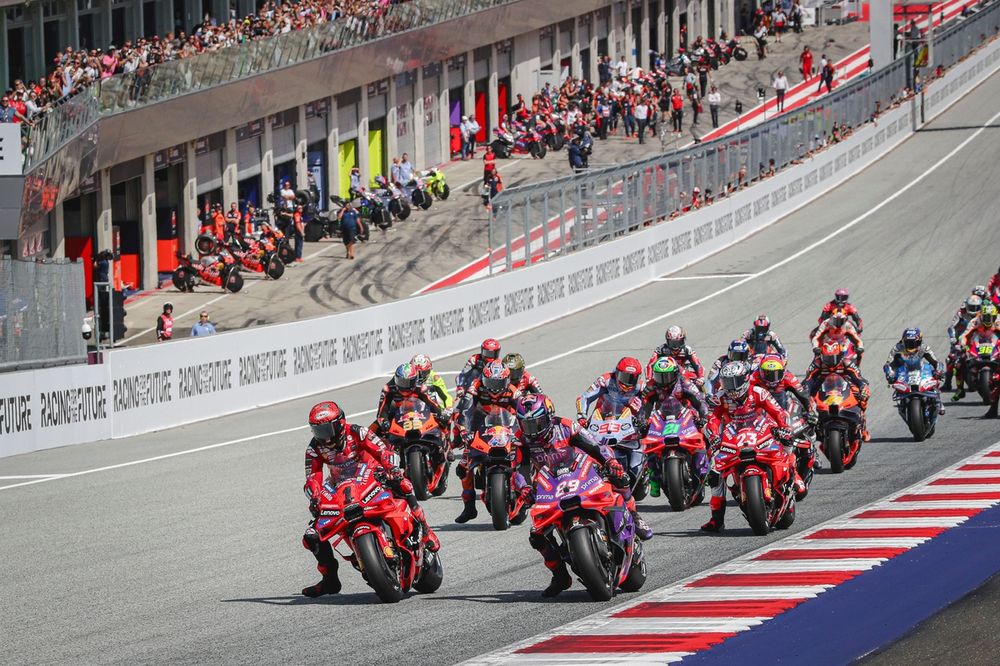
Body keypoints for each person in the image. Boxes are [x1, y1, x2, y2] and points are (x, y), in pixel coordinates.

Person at [514, 394, 652, 596]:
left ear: (549, 416)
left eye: (537, 423)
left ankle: (634, 515)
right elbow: (519, 469)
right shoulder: (521, 440)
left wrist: (610, 463)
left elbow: (596, 446)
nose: (533, 430)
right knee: (536, 535)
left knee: (620, 478)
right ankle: (560, 576)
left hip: (582, 471)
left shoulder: (567, 426)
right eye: (528, 425)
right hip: (550, 484)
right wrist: (524, 488)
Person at [300, 401, 439, 597]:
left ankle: (426, 532)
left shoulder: (358, 432)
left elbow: (382, 450)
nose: (322, 435)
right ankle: (330, 580)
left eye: (326, 429)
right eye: (317, 430)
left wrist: (391, 469)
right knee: (311, 535)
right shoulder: (315, 448)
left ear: (340, 423)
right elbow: (313, 476)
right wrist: (314, 495)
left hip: (372, 474)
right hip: (342, 488)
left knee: (404, 485)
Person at [701, 361, 794, 532]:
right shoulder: (720, 397)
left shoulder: (758, 392)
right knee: (714, 474)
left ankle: (790, 481)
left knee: (787, 447)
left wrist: (785, 429)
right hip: (733, 437)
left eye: (734, 382)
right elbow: (712, 419)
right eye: (726, 382)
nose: (730, 387)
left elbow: (778, 412)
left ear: (744, 379)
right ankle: (716, 519)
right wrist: (714, 437)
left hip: (760, 432)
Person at [453, 360, 522, 523]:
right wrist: (464, 430)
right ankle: (469, 507)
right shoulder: (475, 387)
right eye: (490, 382)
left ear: (506, 380)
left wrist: (524, 429)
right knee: (463, 467)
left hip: (508, 427)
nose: (494, 387)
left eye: (498, 382)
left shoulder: (513, 391)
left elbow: (525, 410)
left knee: (528, 451)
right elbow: (464, 409)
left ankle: (529, 488)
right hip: (480, 425)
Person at [804, 341, 871, 441]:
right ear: (822, 356)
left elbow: (859, 378)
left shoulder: (847, 363)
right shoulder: (817, 364)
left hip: (844, 383)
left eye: (834, 357)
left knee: (862, 395)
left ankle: (863, 426)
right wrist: (805, 394)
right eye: (827, 358)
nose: (831, 361)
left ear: (840, 355)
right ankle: (809, 428)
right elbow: (808, 380)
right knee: (804, 400)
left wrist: (863, 387)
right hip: (822, 384)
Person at [882, 328, 945, 415]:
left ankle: (938, 400)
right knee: (895, 381)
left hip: (920, 369)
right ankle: (903, 403)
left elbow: (935, 361)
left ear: (919, 341)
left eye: (914, 343)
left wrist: (939, 371)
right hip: (903, 371)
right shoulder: (897, 348)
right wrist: (889, 373)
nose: (911, 345)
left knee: (934, 374)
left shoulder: (924, 347)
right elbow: (888, 364)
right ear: (903, 341)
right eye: (908, 343)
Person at [374, 363, 447, 431]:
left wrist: (440, 414)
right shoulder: (388, 388)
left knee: (443, 422)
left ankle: (445, 440)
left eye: (409, 382)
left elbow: (432, 404)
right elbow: (381, 411)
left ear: (415, 380)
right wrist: (384, 421)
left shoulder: (420, 387)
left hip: (419, 414)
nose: (404, 386)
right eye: (401, 382)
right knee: (374, 428)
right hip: (396, 414)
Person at [577, 356, 646, 421]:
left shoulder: (641, 387)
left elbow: (650, 406)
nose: (627, 383)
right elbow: (585, 397)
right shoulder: (605, 380)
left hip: (628, 423)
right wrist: (582, 417)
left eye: (632, 379)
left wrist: (644, 420)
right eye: (624, 377)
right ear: (617, 373)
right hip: (600, 420)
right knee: (578, 431)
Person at [956, 304, 1000, 404]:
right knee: (958, 363)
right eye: (986, 317)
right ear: (981, 315)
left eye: (991, 317)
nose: (988, 320)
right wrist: (963, 344)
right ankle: (960, 390)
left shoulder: (999, 320)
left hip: (995, 345)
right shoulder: (975, 321)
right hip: (978, 345)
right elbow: (964, 335)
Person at [945, 295, 982, 391]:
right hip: (962, 340)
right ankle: (947, 383)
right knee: (951, 358)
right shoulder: (961, 313)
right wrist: (953, 338)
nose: (974, 310)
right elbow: (951, 327)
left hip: (979, 339)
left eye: (976, 307)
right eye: (971, 307)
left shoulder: (984, 314)